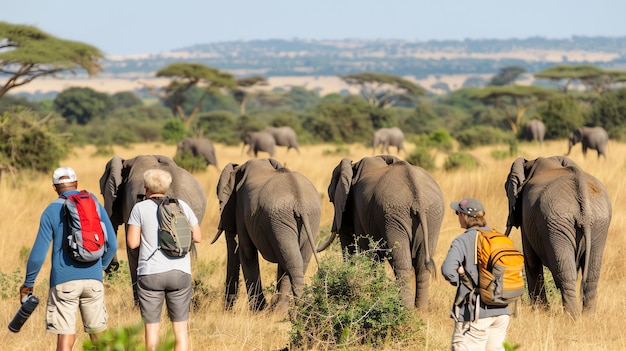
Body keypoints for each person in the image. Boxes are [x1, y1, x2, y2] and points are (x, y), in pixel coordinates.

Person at [20, 167, 118, 351]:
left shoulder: (50, 210)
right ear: (76, 184)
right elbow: (112, 244)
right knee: (100, 338)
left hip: (64, 282)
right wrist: (99, 268)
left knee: (66, 338)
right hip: (93, 281)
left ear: (54, 188)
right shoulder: (94, 204)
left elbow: (38, 254)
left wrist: (28, 283)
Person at [126, 169, 202, 351]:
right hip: (181, 272)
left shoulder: (139, 208)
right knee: (181, 330)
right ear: (167, 187)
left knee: (152, 330)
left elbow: (132, 243)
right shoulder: (181, 205)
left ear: (146, 188)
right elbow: (198, 237)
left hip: (151, 273)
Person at [441, 198, 510, 351]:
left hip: (476, 311)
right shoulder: (499, 237)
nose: (457, 215)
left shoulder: (462, 240)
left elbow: (447, 270)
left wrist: (461, 280)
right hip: (502, 310)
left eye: (457, 212)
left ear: (465, 216)